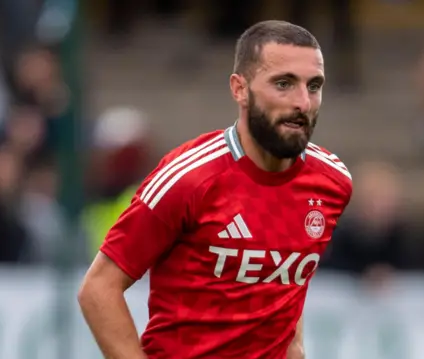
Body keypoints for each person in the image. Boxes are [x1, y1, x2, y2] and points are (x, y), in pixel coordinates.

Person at [77, 20, 353, 359]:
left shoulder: (333, 183)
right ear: (240, 89)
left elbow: (286, 301)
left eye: (314, 86)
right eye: (284, 84)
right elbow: (98, 289)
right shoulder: (190, 178)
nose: (303, 102)